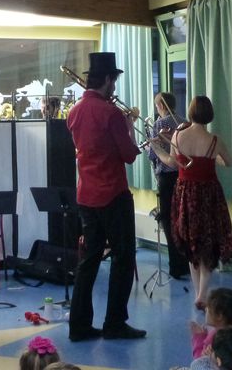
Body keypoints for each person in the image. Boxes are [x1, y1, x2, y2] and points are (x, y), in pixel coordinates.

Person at [66, 52, 144, 342]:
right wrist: (128, 126)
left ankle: (79, 326)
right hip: (113, 194)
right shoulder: (111, 114)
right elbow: (129, 155)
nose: (115, 87)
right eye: (114, 81)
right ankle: (114, 323)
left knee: (89, 260)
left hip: (86, 195)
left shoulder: (74, 112)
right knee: (123, 258)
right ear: (109, 79)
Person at [170, 95, 232, 308]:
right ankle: (202, 294)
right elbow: (229, 162)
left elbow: (171, 162)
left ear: (191, 112)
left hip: (185, 193)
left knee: (191, 242)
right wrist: (213, 158)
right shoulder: (215, 140)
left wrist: (156, 148)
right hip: (208, 195)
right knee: (208, 243)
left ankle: (198, 292)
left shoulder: (177, 135)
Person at [147, 91, 189, 279]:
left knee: (168, 220)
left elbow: (153, 154)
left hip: (166, 176)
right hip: (182, 175)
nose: (157, 109)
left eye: (157, 106)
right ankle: (186, 263)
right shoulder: (184, 122)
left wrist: (150, 145)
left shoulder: (159, 124)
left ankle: (176, 266)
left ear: (162, 106)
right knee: (181, 219)